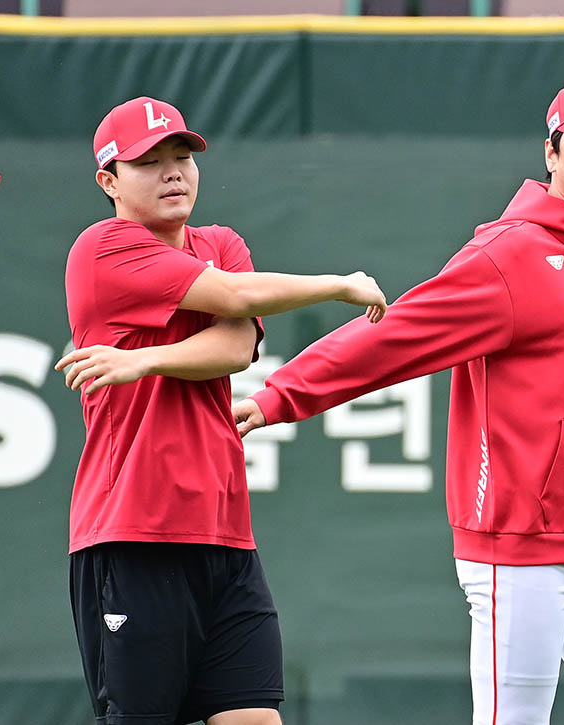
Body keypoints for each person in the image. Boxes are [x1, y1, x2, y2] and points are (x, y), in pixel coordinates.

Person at [232, 76, 564, 724]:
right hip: (521, 552)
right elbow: (395, 336)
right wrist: (281, 393)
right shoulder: (508, 256)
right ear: (551, 153)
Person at [58, 96, 387, 725]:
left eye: (182, 156)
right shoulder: (103, 246)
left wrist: (143, 360)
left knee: (255, 717)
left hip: (224, 533)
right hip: (133, 531)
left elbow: (235, 346)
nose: (173, 172)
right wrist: (340, 284)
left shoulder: (221, 242)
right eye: (148, 162)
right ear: (109, 182)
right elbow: (233, 296)